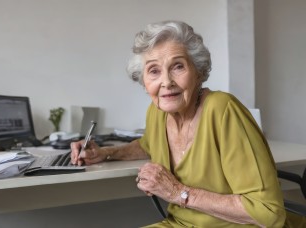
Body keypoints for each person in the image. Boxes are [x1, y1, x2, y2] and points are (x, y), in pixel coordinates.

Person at [71, 20, 287, 227]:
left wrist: (176, 192)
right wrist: (106, 153)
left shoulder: (222, 110)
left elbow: (268, 212)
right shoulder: (157, 112)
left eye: (178, 67)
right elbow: (148, 144)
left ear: (198, 72)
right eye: (154, 71)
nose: (166, 82)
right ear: (143, 81)